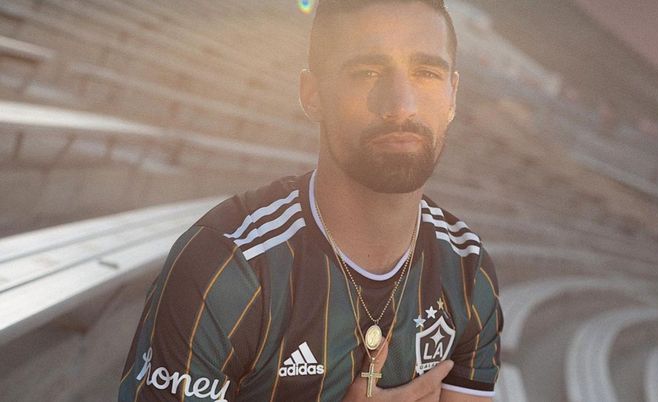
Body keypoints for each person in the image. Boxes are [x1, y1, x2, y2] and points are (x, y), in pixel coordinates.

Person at [118, 0, 503, 401]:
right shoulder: (227, 266)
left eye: (426, 73)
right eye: (367, 72)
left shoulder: (468, 270)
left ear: (452, 96)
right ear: (312, 94)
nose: (401, 105)